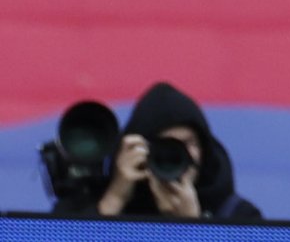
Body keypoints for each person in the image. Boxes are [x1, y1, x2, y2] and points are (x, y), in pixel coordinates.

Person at [53, 81, 261, 219]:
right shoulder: (83, 207)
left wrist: (194, 227)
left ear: (205, 150)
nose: (178, 153)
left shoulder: (238, 216)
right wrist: (114, 200)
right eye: (165, 143)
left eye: (189, 143)